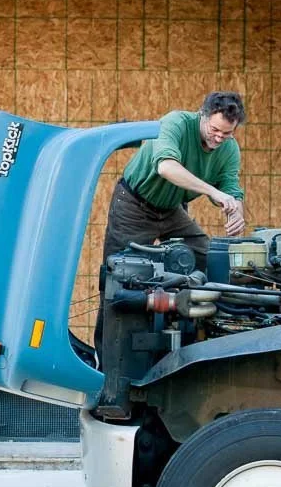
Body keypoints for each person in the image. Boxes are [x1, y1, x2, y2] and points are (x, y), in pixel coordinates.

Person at [94, 91, 247, 357]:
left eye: (227, 134)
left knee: (209, 257)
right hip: (134, 204)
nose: (219, 138)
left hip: (172, 209)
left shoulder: (228, 149)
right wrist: (213, 191)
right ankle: (105, 363)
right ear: (203, 115)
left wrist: (236, 211)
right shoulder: (175, 122)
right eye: (215, 130)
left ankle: (195, 345)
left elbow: (232, 188)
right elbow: (166, 167)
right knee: (117, 279)